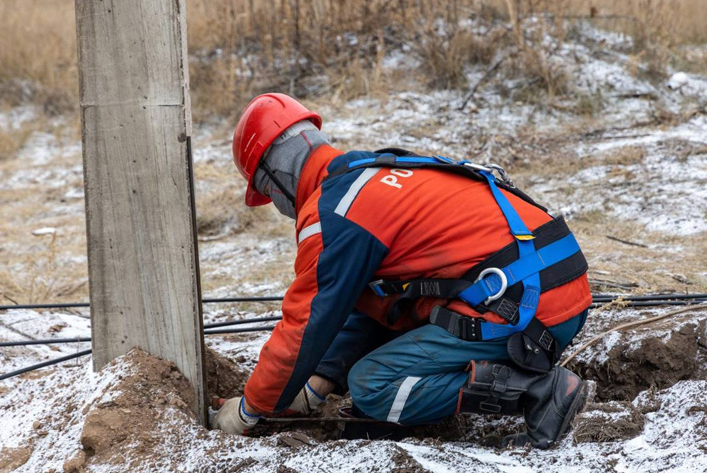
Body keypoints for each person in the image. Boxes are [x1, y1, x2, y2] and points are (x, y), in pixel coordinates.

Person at [212, 93, 592, 449]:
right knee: (386, 332)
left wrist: (249, 408)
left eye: (267, 193)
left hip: (526, 307)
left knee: (371, 385)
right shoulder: (377, 171)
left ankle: (539, 392)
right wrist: (317, 383)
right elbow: (367, 301)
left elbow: (305, 325)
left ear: (275, 179)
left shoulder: (333, 214)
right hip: (559, 287)